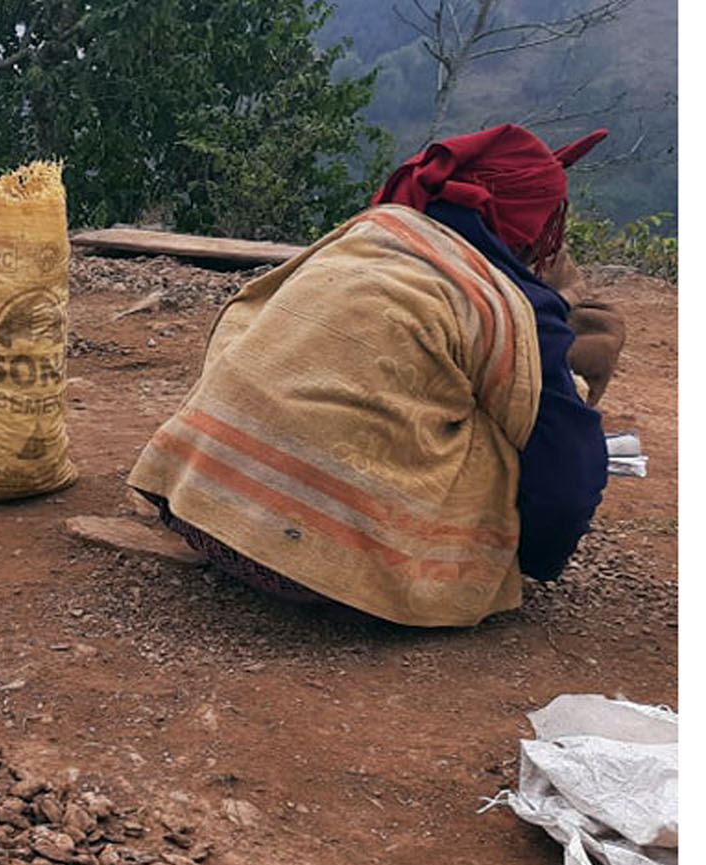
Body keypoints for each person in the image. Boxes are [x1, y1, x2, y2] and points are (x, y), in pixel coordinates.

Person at [126, 124, 610, 627]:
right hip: (315, 575)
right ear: (530, 222)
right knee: (515, 420)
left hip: (196, 511)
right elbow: (568, 475)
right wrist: (535, 561)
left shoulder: (364, 237)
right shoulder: (513, 305)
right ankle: (371, 558)